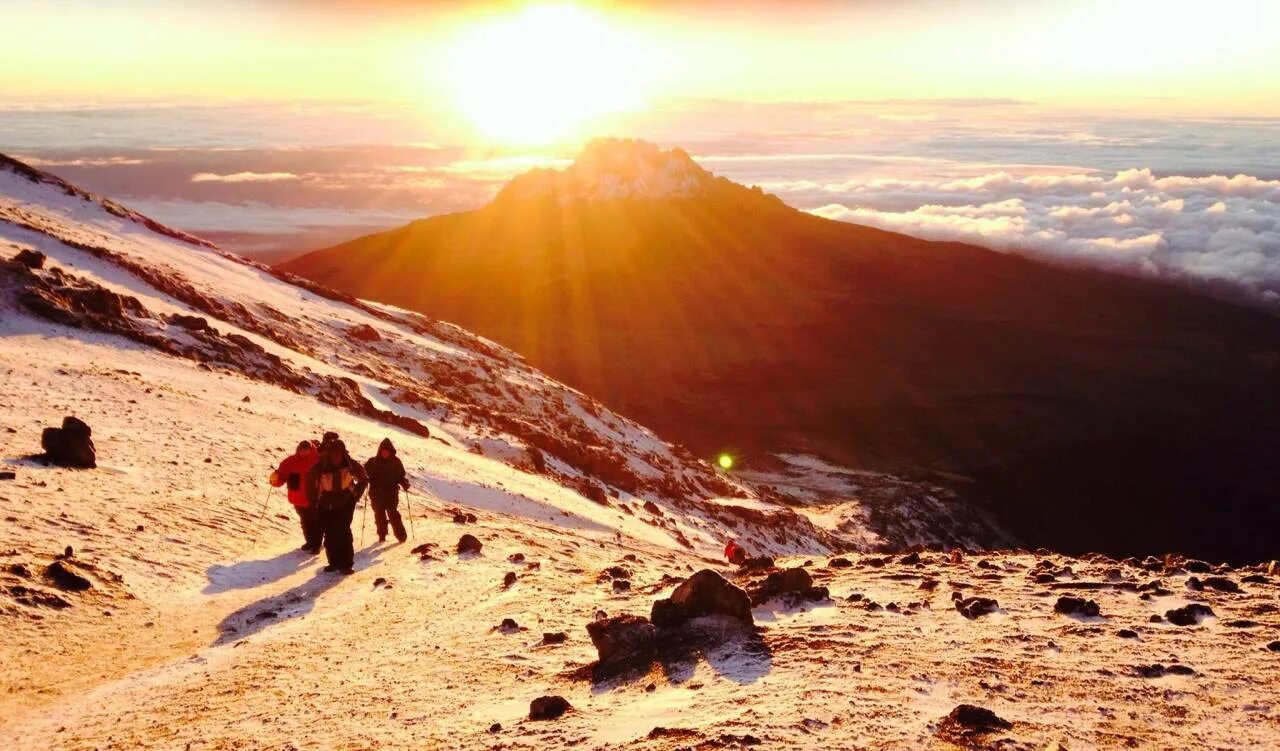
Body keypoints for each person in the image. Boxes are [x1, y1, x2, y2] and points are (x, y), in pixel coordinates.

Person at [306, 439, 367, 575]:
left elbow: (363, 478)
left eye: (338, 453)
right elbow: (310, 479)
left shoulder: (350, 464)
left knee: (343, 531)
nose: (336, 457)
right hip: (326, 503)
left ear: (343, 453)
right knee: (329, 532)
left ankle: (346, 564)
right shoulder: (321, 465)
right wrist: (313, 501)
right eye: (333, 453)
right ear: (329, 453)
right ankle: (333, 562)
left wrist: (355, 495)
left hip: (345, 501)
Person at [269, 440, 322, 553]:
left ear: (310, 449)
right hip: (297, 499)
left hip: (313, 498)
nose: (303, 452)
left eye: (305, 450)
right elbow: (282, 476)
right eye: (301, 450)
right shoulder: (290, 462)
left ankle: (316, 545)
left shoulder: (317, 460)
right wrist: (275, 479)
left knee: (314, 522)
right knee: (305, 521)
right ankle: (310, 542)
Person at [364, 438, 410, 543]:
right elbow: (365, 473)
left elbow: (400, 476)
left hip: (391, 493)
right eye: (383, 451)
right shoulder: (373, 462)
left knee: (393, 514)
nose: (384, 453)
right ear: (380, 451)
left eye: (386, 451)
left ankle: (401, 536)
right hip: (376, 493)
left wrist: (404, 483)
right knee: (379, 515)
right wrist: (366, 479)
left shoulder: (396, 462)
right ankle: (382, 535)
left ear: (390, 451)